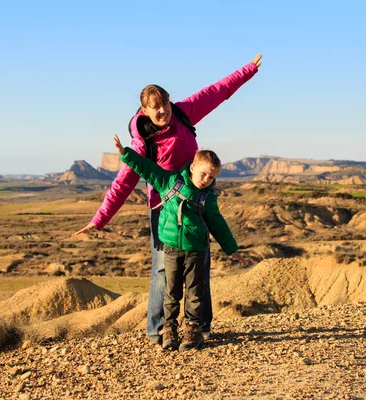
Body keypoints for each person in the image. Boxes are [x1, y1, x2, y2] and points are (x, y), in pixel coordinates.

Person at [77, 54, 262, 345]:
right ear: (144, 110)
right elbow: (123, 183)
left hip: (198, 201)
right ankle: (158, 330)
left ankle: (199, 327)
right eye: (155, 107)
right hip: (164, 210)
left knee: (199, 266)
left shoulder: (183, 113)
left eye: (164, 103)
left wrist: (248, 70)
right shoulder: (142, 143)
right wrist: (99, 219)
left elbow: (216, 92)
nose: (163, 111)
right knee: (164, 269)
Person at [113, 134, 244, 350]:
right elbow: (147, 169)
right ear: (192, 167)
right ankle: (169, 330)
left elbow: (218, 223)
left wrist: (232, 249)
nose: (206, 180)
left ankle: (193, 331)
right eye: (203, 174)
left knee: (195, 292)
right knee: (171, 292)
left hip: (196, 251)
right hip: (171, 248)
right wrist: (125, 153)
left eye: (211, 178)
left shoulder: (208, 197)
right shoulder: (169, 182)